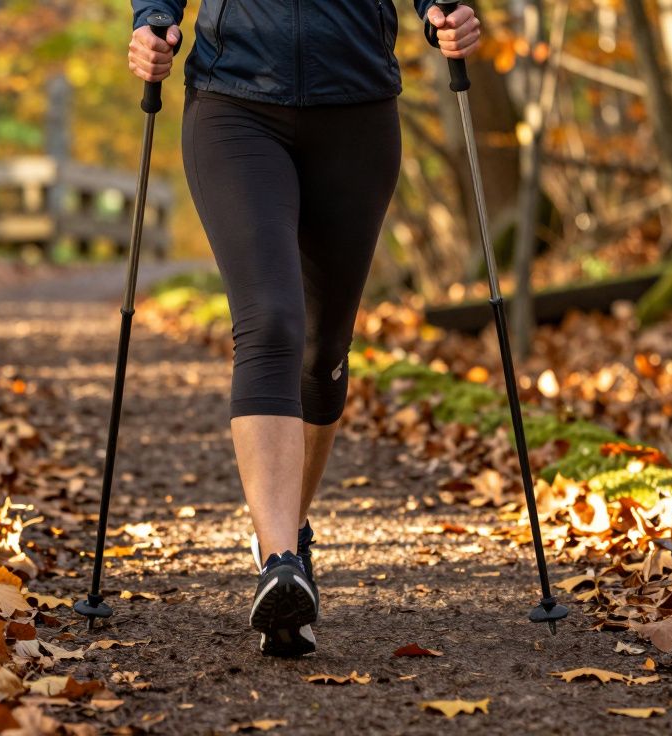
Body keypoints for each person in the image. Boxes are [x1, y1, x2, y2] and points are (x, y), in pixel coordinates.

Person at [127, 0, 481, 657]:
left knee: (322, 355)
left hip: (358, 108)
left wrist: (450, 13)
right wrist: (151, 19)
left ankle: (292, 534)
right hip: (234, 103)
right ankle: (280, 561)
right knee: (272, 323)